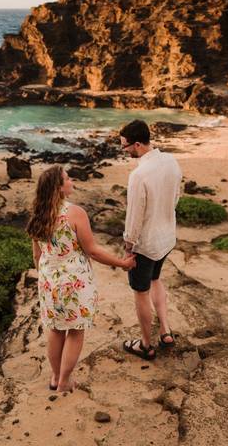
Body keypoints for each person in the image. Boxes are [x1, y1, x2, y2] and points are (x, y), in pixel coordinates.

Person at [28, 165, 136, 392]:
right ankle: (65, 381)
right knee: (76, 331)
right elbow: (93, 251)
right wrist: (122, 263)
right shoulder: (75, 213)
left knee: (56, 330)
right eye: (67, 178)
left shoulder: (38, 214)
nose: (71, 181)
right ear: (59, 188)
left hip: (48, 281)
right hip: (74, 282)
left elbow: (37, 256)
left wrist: (49, 278)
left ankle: (55, 377)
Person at [119, 119, 183, 361]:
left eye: (125, 147)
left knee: (141, 292)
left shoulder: (139, 175)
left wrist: (128, 246)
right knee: (156, 279)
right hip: (167, 237)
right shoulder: (171, 161)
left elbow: (134, 218)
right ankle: (165, 331)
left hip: (145, 245)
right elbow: (175, 197)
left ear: (137, 144)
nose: (124, 152)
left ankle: (145, 345)